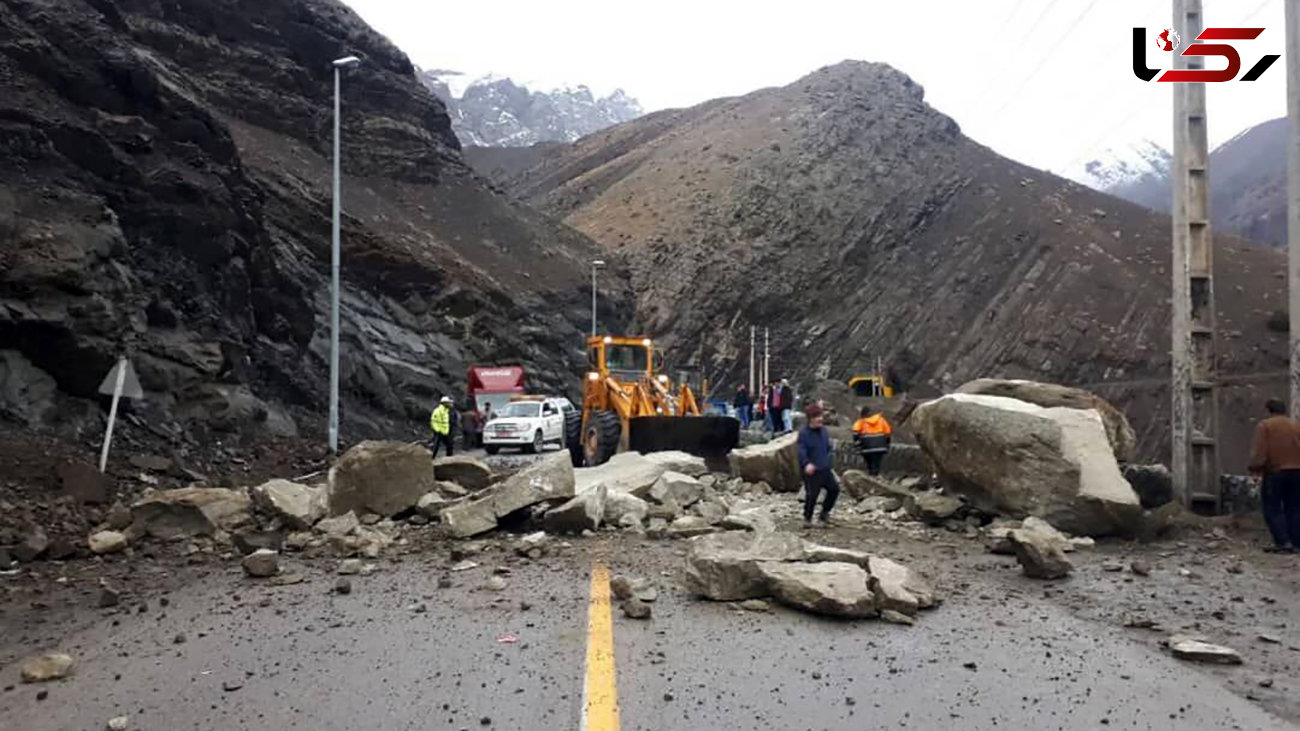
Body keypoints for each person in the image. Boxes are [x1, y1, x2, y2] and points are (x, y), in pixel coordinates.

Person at [1248, 399, 1300, 553]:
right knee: (1295, 508)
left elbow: (1260, 452)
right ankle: (1296, 542)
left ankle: (1283, 542)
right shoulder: (1296, 426)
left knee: (1272, 508)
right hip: (1297, 472)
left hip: (1276, 472)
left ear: (1268, 410)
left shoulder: (1265, 426)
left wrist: (1255, 468)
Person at [798, 403, 838, 527]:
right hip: (812, 469)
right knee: (812, 495)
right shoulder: (804, 433)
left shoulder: (824, 431)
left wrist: (828, 463)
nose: (820, 419)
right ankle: (807, 518)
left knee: (834, 490)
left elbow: (827, 448)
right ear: (810, 419)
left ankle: (824, 514)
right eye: (817, 417)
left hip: (824, 467)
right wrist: (806, 464)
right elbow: (801, 450)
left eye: (821, 416)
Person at [853, 406, 893, 476]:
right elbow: (888, 433)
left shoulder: (861, 422)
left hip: (866, 448)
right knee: (876, 464)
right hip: (880, 447)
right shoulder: (881, 420)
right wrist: (887, 445)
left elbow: (855, 435)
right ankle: (874, 476)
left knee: (870, 464)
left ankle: (871, 476)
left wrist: (857, 446)